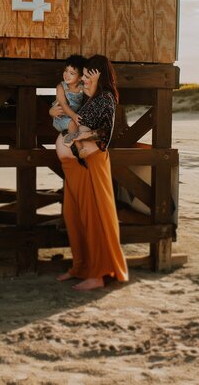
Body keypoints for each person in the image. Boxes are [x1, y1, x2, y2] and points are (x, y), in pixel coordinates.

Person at [49, 54, 128, 291]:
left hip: (90, 164)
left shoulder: (105, 99)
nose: (83, 79)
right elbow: (63, 109)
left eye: (87, 75)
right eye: (82, 75)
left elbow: (105, 134)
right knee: (76, 218)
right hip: (74, 166)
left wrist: (78, 137)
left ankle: (98, 273)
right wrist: (53, 113)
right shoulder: (89, 98)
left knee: (94, 218)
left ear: (98, 75)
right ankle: (81, 267)